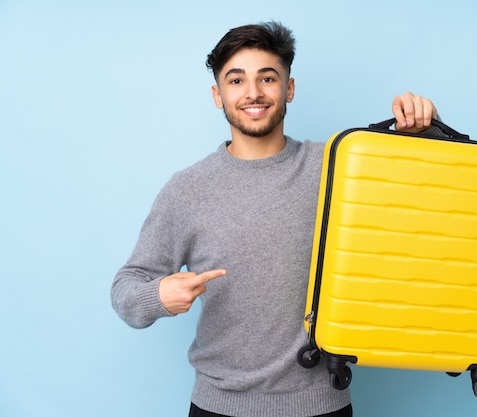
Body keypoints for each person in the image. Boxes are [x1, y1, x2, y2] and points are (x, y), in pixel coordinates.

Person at [111, 21, 439, 417]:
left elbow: (421, 205)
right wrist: (157, 296)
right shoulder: (187, 189)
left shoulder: (337, 166)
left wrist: (423, 131)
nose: (253, 92)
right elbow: (126, 289)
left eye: (267, 77)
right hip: (217, 407)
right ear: (218, 95)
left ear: (289, 88)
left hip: (323, 405)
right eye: (236, 81)